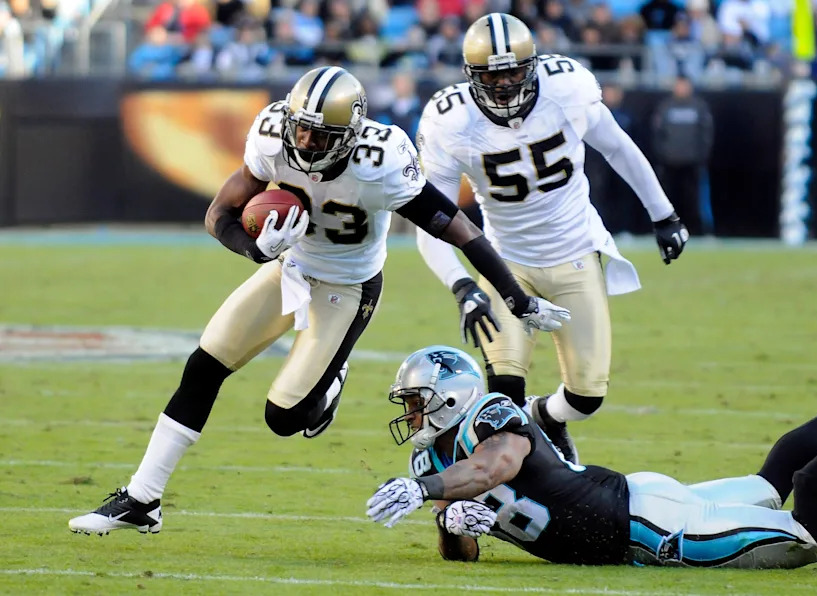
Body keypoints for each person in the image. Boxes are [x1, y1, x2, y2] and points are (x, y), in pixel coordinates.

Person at [68, 66, 571, 536]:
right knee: (203, 367)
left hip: (347, 288)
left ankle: (332, 377)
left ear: (350, 135)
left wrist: (514, 295)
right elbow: (219, 213)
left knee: (284, 419)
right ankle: (142, 500)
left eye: (321, 135)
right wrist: (253, 249)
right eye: (301, 129)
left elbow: (456, 228)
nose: (307, 142)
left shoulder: (382, 161)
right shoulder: (271, 136)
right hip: (289, 269)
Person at [367, 346, 817, 567]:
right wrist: (454, 525)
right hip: (634, 506)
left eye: (416, 402)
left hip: (643, 526)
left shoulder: (489, 416)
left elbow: (497, 467)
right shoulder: (432, 466)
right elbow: (462, 555)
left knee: (808, 540)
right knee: (768, 484)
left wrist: (429, 494)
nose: (411, 415)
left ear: (450, 397)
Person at [414, 13, 689, 464]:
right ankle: (514, 488)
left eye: (514, 71)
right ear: (471, 77)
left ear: (535, 65)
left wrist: (664, 215)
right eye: (492, 74)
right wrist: (462, 286)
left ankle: (545, 416)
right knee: (503, 391)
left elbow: (618, 146)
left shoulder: (566, 90)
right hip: (504, 263)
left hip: (575, 253)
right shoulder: (451, 121)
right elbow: (433, 220)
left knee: (586, 395)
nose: (504, 85)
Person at [651, 76, 714, 236]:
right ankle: (669, 230)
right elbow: (657, 134)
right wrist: (663, 155)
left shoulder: (699, 106)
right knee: (669, 199)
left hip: (692, 163)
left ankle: (697, 231)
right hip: (669, 162)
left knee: (693, 199)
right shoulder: (665, 107)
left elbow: (706, 134)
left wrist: (701, 156)